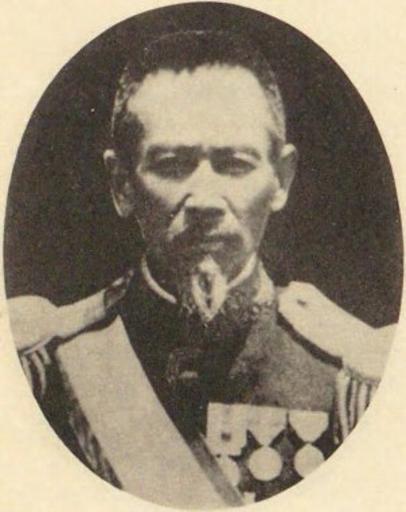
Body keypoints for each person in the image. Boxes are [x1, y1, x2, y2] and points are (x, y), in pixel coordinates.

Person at [9, 30, 395, 508]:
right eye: (173, 165)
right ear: (122, 185)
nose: (206, 200)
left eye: (234, 164)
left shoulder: (353, 379)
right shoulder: (44, 367)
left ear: (281, 179)